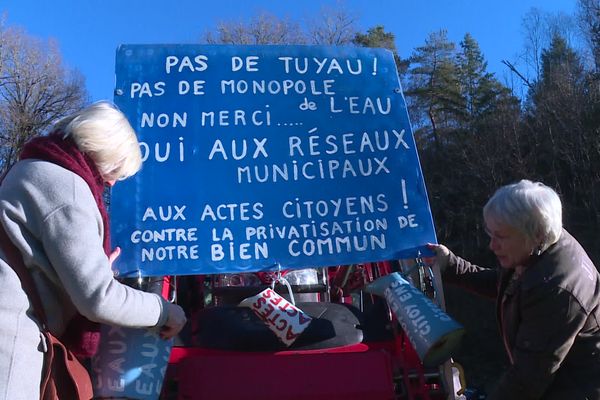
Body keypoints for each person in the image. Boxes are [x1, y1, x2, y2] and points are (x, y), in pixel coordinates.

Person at [0, 102, 187, 400]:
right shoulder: (68, 187)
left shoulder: (30, 169)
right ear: (101, 149)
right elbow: (99, 299)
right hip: (11, 349)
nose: (111, 182)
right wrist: (166, 311)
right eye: (114, 170)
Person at [429, 179, 600, 400]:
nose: (492, 246)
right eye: (491, 235)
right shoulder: (540, 246)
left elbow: (527, 380)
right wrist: (452, 265)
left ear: (536, 234)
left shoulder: (556, 290)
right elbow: (508, 286)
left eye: (500, 237)